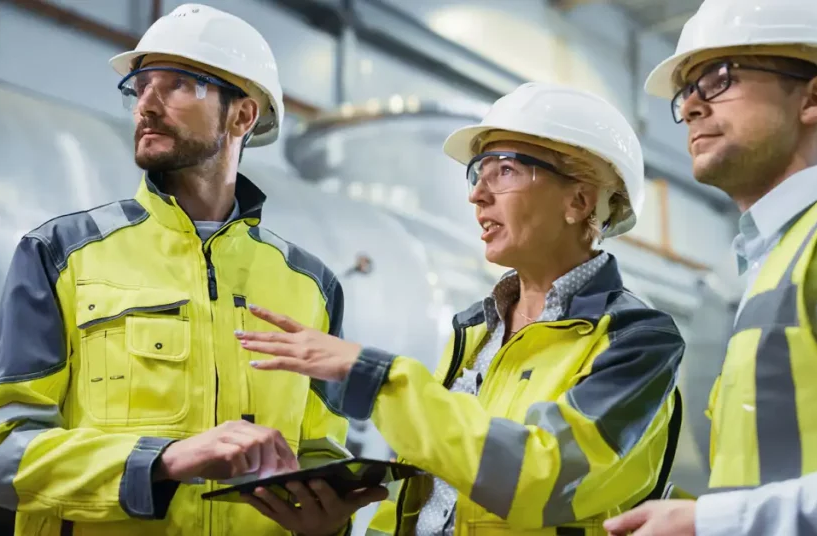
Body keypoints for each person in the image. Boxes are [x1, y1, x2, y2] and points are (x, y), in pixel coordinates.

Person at [0, 4, 382, 535]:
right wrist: (162, 462)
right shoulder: (62, 253)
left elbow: (319, 449)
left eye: (178, 85)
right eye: (140, 86)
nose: (147, 105)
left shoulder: (312, 286)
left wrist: (327, 520)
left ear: (242, 115)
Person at [232, 81, 687, 535]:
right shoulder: (475, 330)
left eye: (505, 170)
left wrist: (374, 377)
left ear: (579, 201)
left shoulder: (637, 341)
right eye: (477, 172)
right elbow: (422, 495)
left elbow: (541, 479)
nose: (477, 195)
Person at [604, 0, 817, 535]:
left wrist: (711, 523)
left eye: (718, 78)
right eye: (686, 91)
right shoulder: (779, 258)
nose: (689, 107)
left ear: (815, 98)